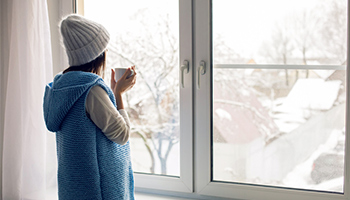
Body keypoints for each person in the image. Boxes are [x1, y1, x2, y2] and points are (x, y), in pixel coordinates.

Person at [43, 14, 136, 200]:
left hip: (74, 188)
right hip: (98, 191)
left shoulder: (60, 87)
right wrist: (118, 94)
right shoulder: (91, 90)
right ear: (96, 55)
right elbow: (122, 135)